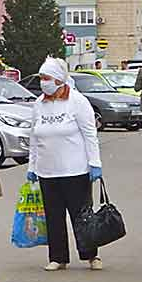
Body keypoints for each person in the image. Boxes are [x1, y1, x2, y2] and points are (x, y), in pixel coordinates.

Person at [27, 57, 103, 271]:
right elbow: (34, 137)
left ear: (59, 81)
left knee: (81, 215)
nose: (43, 83)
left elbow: (90, 134)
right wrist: (32, 167)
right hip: (47, 171)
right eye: (41, 78)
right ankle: (58, 257)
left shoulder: (77, 102)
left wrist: (94, 162)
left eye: (47, 78)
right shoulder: (39, 103)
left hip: (75, 170)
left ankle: (91, 255)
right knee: (53, 216)